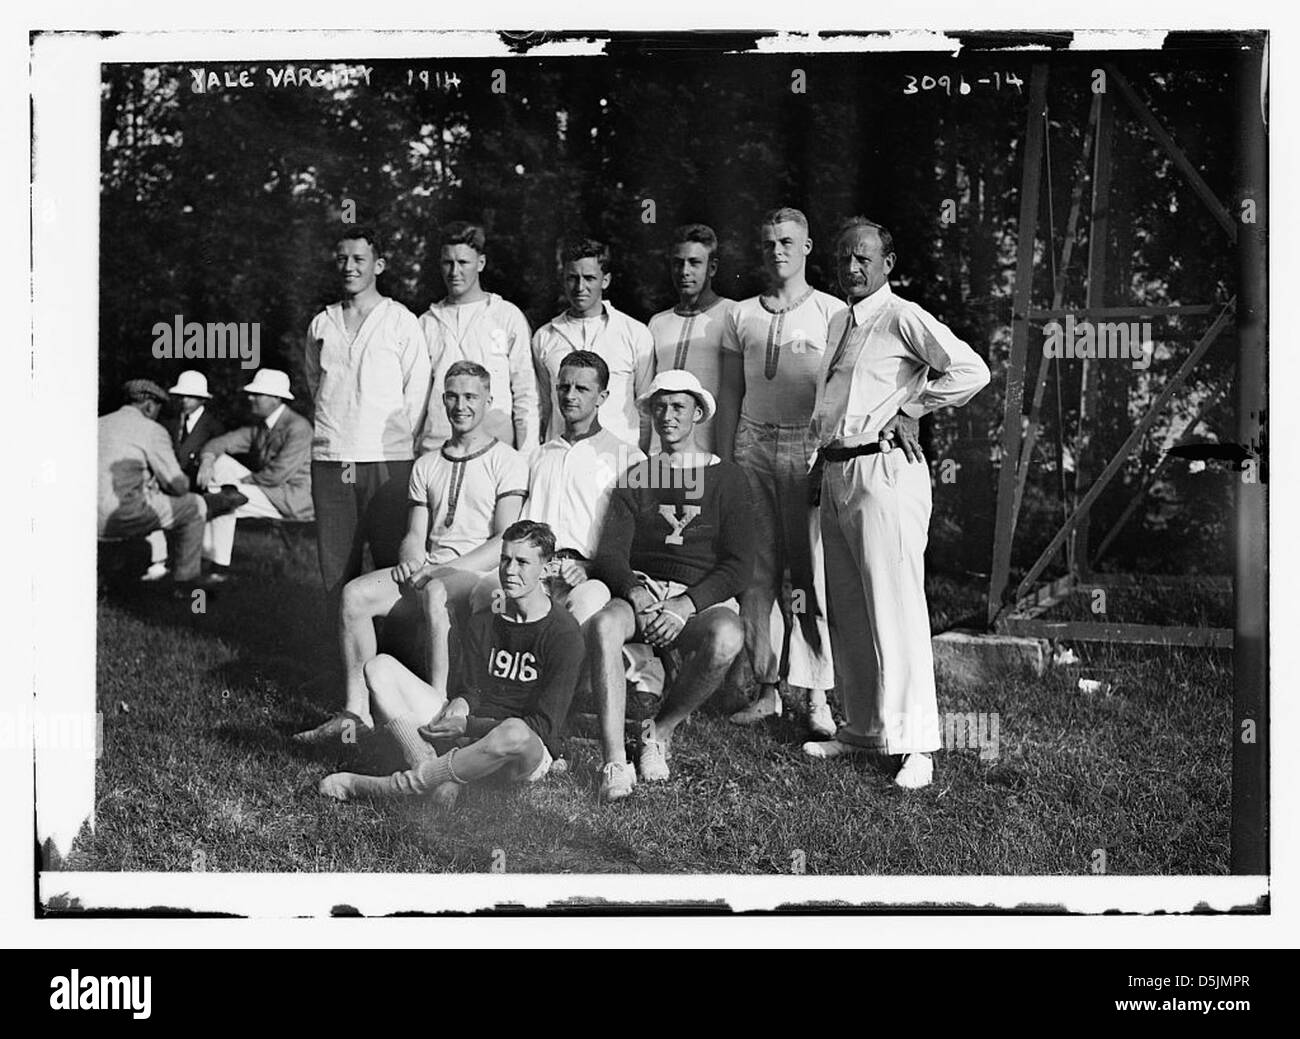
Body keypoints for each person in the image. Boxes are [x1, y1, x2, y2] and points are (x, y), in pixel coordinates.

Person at [804, 217, 990, 789]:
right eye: (844, 258)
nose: (851, 267)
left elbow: (972, 370)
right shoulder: (839, 319)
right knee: (850, 607)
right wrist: (819, 461)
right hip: (837, 469)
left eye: (864, 258)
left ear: (887, 264)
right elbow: (838, 400)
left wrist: (915, 408)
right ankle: (862, 729)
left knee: (895, 603)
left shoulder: (903, 316)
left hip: (886, 470)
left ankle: (916, 746)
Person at [294, 360, 528, 744]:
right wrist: (410, 557)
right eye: (452, 396)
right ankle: (358, 711)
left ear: (489, 399)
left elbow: (504, 538)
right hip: (432, 568)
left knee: (435, 592)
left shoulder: (507, 460)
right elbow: (416, 532)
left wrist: (445, 570)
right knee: (355, 595)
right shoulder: (427, 463)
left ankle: (435, 713)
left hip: (479, 574)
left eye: (471, 396)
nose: (461, 406)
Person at [317, 520, 583, 807]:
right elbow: (471, 689)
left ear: (546, 569)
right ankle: (430, 765)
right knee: (378, 668)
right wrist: (462, 703)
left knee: (515, 730)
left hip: (525, 752)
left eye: (522, 562)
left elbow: (542, 727)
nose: (510, 571)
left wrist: (469, 725)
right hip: (469, 735)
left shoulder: (564, 634)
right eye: (505, 560)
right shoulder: (487, 619)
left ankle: (391, 786)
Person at [587, 370, 754, 802]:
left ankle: (658, 732)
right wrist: (636, 592)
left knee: (728, 636)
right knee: (605, 625)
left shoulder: (729, 479)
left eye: (678, 406)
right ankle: (613, 760)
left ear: (698, 413)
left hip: (693, 600)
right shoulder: (638, 476)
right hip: (641, 593)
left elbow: (740, 566)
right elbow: (609, 554)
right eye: (659, 407)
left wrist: (685, 604)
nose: (667, 415)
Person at [715, 206, 844, 738]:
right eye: (769, 242)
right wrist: (724, 462)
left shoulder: (834, 313)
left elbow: (839, 397)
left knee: (807, 573)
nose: (778, 251)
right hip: (751, 443)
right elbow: (729, 394)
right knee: (757, 572)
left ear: (808, 246)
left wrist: (825, 451)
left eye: (788, 241)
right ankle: (766, 690)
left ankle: (816, 695)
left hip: (803, 447)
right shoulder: (739, 314)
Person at [304, 225, 431, 625]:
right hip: (331, 458)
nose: (349, 267)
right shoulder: (322, 324)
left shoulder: (400, 320)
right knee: (336, 568)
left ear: (379, 264)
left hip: (386, 460)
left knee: (394, 565)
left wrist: (394, 442)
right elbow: (316, 383)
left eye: (359, 259)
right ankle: (341, 663)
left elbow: (418, 391)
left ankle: (396, 657)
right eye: (342, 258)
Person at [475, 349, 644, 626]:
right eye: (564, 387)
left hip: (589, 574)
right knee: (487, 593)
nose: (570, 395)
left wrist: (592, 567)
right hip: (533, 570)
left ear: (602, 397)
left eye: (582, 388)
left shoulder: (627, 458)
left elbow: (634, 538)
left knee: (585, 606)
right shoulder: (537, 456)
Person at [419, 221, 538, 455]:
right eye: (448, 263)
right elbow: (415, 398)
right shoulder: (426, 323)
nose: (455, 272)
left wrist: (526, 456)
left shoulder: (506, 316)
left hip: (496, 450)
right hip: (438, 451)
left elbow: (526, 393)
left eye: (463, 262)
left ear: (480, 263)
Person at [532, 238, 655, 453]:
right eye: (572, 278)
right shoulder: (545, 336)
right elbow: (544, 406)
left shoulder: (634, 333)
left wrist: (639, 459)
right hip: (563, 457)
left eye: (589, 278)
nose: (580, 287)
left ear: (605, 280)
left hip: (618, 460)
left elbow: (646, 409)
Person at [195, 369, 314, 581]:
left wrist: (239, 483)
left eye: (257, 394)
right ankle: (213, 563)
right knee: (220, 465)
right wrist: (207, 460)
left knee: (224, 499)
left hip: (291, 498)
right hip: (268, 490)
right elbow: (220, 443)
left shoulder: (298, 428)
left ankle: (213, 565)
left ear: (276, 399)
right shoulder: (261, 426)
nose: (250, 397)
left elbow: (277, 475)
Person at [97, 379, 209, 588]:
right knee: (195, 505)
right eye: (158, 407)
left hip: (82, 518)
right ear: (149, 405)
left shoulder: (98, 423)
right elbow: (178, 486)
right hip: (120, 517)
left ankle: (118, 568)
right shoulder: (152, 430)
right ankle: (186, 582)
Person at [647, 224, 737, 454]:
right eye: (678, 263)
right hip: (662, 450)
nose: (684, 271)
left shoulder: (732, 315)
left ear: (712, 267)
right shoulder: (658, 322)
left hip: (711, 449)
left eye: (694, 263)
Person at [144, 370, 226, 580]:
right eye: (182, 396)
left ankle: (193, 565)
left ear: (201, 399)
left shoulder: (214, 426)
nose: (184, 401)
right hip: (170, 482)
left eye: (190, 396)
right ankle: (159, 560)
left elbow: (217, 456)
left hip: (198, 486)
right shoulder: (170, 422)